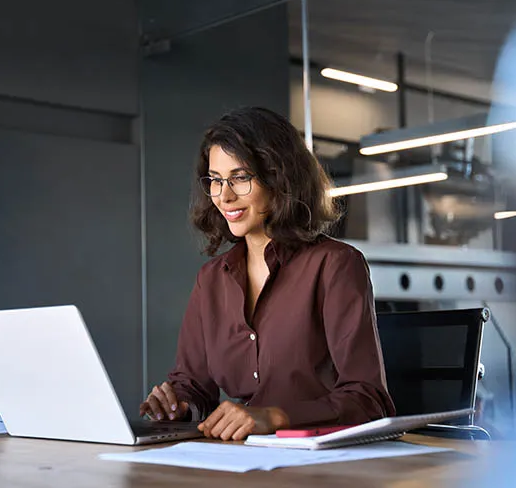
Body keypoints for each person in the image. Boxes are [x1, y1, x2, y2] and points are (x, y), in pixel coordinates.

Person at [138, 106, 395, 441]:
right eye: (215, 180)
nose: (224, 195)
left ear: (279, 177)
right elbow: (193, 386)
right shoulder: (212, 279)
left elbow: (369, 400)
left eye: (241, 177)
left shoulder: (335, 265)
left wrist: (276, 416)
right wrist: (177, 405)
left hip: (321, 463)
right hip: (243, 457)